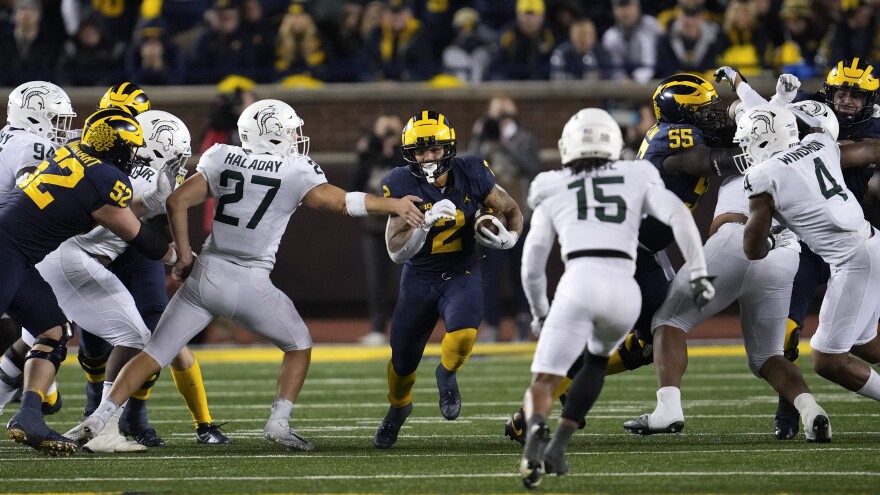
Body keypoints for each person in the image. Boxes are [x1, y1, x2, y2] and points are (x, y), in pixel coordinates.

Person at [65, 99, 424, 452]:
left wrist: (185, 254)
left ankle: (99, 418)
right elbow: (342, 202)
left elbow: (176, 202)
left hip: (205, 273)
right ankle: (278, 422)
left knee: (154, 352)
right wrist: (393, 204)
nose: (297, 134)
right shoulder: (294, 169)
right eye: (291, 128)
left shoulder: (221, 157)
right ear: (271, 132)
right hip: (250, 281)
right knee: (298, 345)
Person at [505, 73, 743, 445]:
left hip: (645, 251)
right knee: (654, 330)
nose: (712, 113)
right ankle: (543, 403)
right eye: (704, 108)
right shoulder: (672, 137)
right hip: (628, 253)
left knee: (649, 341)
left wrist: (749, 115)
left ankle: (557, 393)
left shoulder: (686, 133)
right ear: (681, 112)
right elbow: (700, 161)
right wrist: (749, 155)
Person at [621, 76, 832, 440]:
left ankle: (667, 410)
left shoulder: (747, 146)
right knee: (766, 356)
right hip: (785, 254)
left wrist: (752, 102)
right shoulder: (808, 154)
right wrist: (759, 95)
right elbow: (760, 117)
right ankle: (810, 410)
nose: (714, 116)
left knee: (667, 322)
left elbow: (721, 152)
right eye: (702, 110)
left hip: (739, 239)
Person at [518, 108, 714, 489]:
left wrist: (540, 313)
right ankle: (559, 444)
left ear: (566, 147)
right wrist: (700, 269)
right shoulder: (637, 174)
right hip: (625, 290)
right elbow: (677, 215)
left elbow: (531, 264)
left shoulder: (550, 184)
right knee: (595, 361)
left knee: (544, 379)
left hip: (578, 280)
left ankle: (535, 436)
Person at [5, 107, 177, 456]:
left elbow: (99, 211)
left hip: (19, 257)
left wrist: (148, 202)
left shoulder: (72, 152)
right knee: (119, 335)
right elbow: (140, 239)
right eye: (129, 148)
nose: (132, 156)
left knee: (54, 331)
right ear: (114, 146)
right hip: (8, 255)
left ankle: (29, 415)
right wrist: (180, 258)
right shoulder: (106, 179)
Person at [73, 82, 230, 447]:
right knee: (95, 346)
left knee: (159, 333)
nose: (131, 125)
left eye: (135, 118)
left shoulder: (160, 144)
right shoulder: (90, 151)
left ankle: (141, 417)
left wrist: (176, 250)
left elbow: (162, 210)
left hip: (139, 251)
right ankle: (94, 410)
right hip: (92, 253)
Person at [373, 110, 523, 449]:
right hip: (419, 277)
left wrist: (510, 239)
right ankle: (398, 409)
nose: (428, 158)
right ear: (409, 154)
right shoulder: (400, 184)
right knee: (402, 361)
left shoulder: (471, 172)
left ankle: (447, 373)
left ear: (449, 149)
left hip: (462, 272)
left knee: (465, 332)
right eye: (421, 151)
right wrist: (422, 224)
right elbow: (397, 253)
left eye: (435, 149)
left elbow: (512, 209)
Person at [740, 104, 880, 433]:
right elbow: (871, 150)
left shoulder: (762, 175)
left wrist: (772, 239)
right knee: (866, 346)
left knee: (827, 360)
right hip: (870, 245)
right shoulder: (819, 143)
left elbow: (752, 249)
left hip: (855, 261)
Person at [776, 58, 880, 439]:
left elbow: (859, 153)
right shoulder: (804, 110)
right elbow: (749, 116)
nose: (848, 100)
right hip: (803, 244)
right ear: (829, 92)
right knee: (785, 332)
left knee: (865, 344)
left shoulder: (869, 128)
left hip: (849, 243)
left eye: (857, 94)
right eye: (842, 91)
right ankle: (789, 409)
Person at [0, 81, 75, 417]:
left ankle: (28, 408)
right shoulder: (32, 144)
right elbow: (32, 192)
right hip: (6, 247)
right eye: (57, 119)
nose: (62, 128)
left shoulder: (10, 137)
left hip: (11, 251)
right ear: (36, 117)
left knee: (52, 329)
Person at [469, 96, 538, 342]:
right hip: (490, 219)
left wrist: (505, 143)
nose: (501, 122)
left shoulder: (525, 138)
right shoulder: (483, 141)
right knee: (490, 273)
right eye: (496, 117)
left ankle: (523, 321)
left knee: (522, 271)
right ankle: (492, 325)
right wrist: (480, 135)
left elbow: (531, 167)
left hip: (519, 217)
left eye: (505, 116)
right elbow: (469, 166)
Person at [350, 114, 405, 346]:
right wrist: (367, 153)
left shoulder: (406, 154)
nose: (388, 136)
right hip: (374, 227)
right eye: (385, 131)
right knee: (376, 281)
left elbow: (407, 176)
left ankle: (405, 328)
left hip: (402, 226)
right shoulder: (369, 155)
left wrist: (394, 150)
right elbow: (354, 186)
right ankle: (377, 328)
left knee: (406, 280)